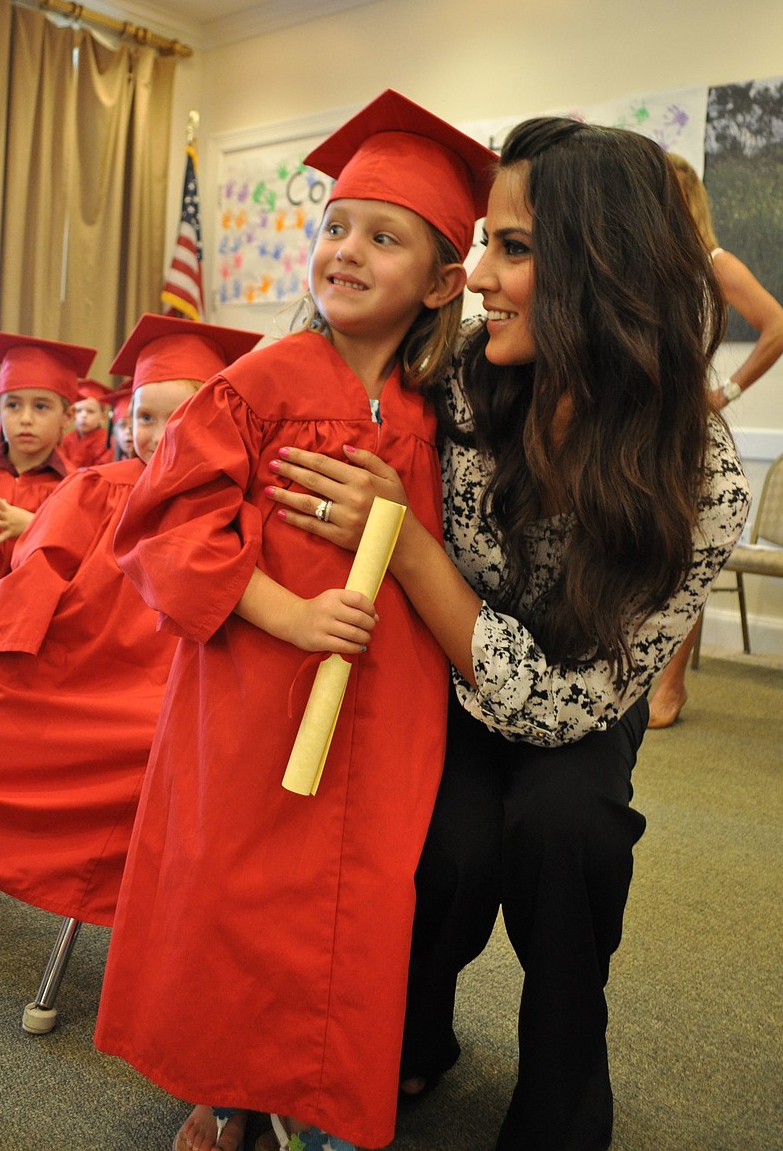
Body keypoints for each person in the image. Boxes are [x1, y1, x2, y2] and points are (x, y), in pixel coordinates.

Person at [262, 118, 752, 1151]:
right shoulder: (456, 380)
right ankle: (408, 1032)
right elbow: (323, 364)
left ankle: (564, 1093)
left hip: (580, 701)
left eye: (514, 248)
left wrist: (406, 547)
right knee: (447, 848)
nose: (478, 274)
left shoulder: (700, 479)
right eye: (485, 241)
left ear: (605, 266)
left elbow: (565, 703)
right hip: (440, 680)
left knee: (568, 836)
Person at [93, 89, 496, 1151]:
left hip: (388, 699)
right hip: (254, 686)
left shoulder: (437, 409)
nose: (346, 249)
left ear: (443, 282)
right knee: (242, 887)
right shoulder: (257, 383)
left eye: (384, 236)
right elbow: (164, 525)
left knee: (356, 899)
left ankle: (316, 1094)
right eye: (335, 226)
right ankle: (224, 1086)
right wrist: (290, 613)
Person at [0, 315, 258, 929]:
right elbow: (35, 577)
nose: (159, 434)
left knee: (188, 768)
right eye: (145, 417)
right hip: (74, 678)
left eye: (179, 415)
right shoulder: (94, 488)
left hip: (174, 692)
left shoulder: (236, 509)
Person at [647, 152, 783, 728]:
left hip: (686, 426)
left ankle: (672, 684)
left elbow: (780, 327)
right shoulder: (640, 263)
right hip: (635, 421)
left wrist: (724, 394)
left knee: (687, 552)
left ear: (690, 199)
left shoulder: (714, 262)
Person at [0, 333, 95, 679]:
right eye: (13, 405)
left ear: (67, 416)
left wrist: (38, 528)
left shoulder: (83, 489)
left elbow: (94, 573)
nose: (25, 418)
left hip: (44, 634)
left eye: (41, 406)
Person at [59, 377, 115, 466]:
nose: (83, 415)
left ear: (102, 417)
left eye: (90, 411)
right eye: (79, 411)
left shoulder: (107, 442)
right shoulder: (67, 440)